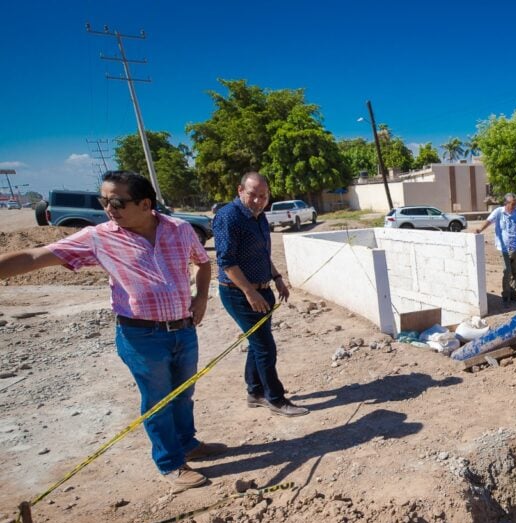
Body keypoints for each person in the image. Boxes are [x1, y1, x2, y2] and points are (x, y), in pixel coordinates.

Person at [0, 171, 221, 492]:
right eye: (104, 200)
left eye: (116, 201)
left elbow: (202, 262)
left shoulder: (181, 229)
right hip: (141, 336)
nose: (108, 208)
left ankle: (188, 443)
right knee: (158, 400)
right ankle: (171, 463)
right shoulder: (100, 237)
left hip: (184, 331)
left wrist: (201, 297)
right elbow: (36, 257)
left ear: (146, 204)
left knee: (183, 393)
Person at [214, 172, 309, 417]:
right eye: (253, 195)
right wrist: (249, 292)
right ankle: (275, 399)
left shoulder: (260, 217)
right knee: (266, 347)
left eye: (263, 196)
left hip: (263, 289)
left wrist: (277, 279)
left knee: (258, 344)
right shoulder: (229, 217)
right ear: (240, 191)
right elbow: (226, 261)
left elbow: (262, 254)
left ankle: (254, 391)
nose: (258, 200)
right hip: (239, 294)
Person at [477, 193, 516, 306]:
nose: (514, 206)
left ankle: (514, 295)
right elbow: (488, 221)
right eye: (512, 204)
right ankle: (505, 297)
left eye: (515, 204)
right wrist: (479, 230)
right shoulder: (498, 212)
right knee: (507, 271)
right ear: (506, 203)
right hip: (503, 248)